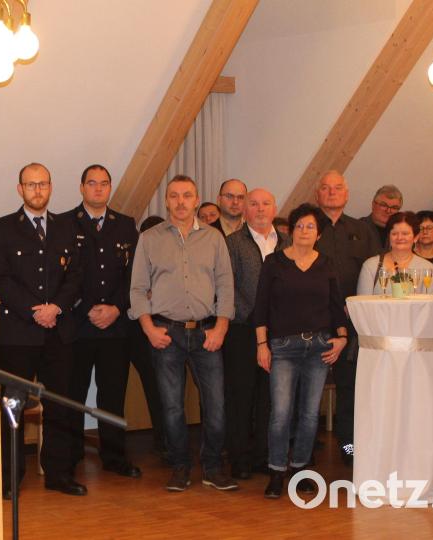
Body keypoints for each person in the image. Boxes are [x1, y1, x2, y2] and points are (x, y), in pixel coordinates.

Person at [129, 174, 238, 492]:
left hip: (207, 334)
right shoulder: (150, 238)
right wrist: (149, 329)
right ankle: (179, 467)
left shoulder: (214, 239)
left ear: (196, 199)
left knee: (216, 405)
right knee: (172, 407)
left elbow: (225, 286)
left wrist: (221, 327)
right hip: (167, 334)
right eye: (174, 196)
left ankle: (213, 467)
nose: (180, 202)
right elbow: (137, 289)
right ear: (166, 201)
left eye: (187, 196)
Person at [0, 162, 85, 498]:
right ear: (20, 189)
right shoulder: (2, 228)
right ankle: (10, 476)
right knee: (13, 405)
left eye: (43, 184)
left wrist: (55, 308)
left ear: (51, 187)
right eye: (31, 185)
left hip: (59, 331)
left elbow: (76, 276)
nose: (37, 190)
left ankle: (59, 473)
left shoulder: (68, 227)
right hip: (19, 333)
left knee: (60, 405)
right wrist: (35, 312)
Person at [254, 203, 348, 499]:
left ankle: (300, 468)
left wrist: (342, 338)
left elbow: (336, 305)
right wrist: (261, 344)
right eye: (299, 226)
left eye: (311, 227)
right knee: (281, 413)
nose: (304, 231)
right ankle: (276, 471)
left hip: (319, 346)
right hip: (282, 347)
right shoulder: (274, 262)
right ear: (290, 231)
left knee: (309, 415)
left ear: (318, 234)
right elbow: (261, 307)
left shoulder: (327, 264)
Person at [62, 164, 141, 479]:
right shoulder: (64, 223)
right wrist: (86, 309)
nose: (98, 189)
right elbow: (62, 275)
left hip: (115, 326)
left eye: (104, 184)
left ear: (110, 188)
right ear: (81, 188)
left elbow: (134, 275)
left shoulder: (125, 225)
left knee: (112, 395)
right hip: (78, 325)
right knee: (73, 393)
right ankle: (69, 454)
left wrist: (117, 308)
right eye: (91, 183)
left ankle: (114, 456)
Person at [313, 170, 381, 465]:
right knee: (308, 384)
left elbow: (376, 272)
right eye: (325, 188)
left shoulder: (362, 230)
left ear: (346, 193)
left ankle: (349, 445)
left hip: (353, 323)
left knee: (349, 385)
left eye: (337, 188)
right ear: (317, 194)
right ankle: (304, 446)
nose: (331, 192)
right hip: (313, 319)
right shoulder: (306, 226)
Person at [223, 188, 289, 479]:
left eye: (266, 203)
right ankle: (239, 458)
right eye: (254, 204)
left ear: (275, 208)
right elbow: (227, 286)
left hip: (281, 332)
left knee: (271, 398)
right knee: (241, 396)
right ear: (245, 210)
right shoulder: (232, 243)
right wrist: (254, 317)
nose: (260, 209)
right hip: (242, 331)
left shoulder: (288, 243)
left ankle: (264, 455)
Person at [126, 215, 168, 458]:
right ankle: (162, 439)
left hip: (165, 328)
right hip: (139, 331)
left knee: (166, 389)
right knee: (155, 387)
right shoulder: (135, 259)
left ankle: (167, 438)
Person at [356, 212, 433, 296]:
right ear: (388, 237)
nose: (399, 238)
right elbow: (362, 304)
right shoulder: (371, 266)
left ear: (416, 237)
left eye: (405, 233)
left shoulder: (427, 268)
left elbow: (432, 305)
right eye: (394, 234)